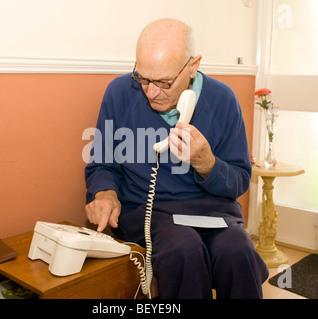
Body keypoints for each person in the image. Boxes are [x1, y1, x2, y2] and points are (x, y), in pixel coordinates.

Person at [84, 18, 268, 299]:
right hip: (147, 212)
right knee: (183, 249)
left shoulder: (224, 100)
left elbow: (239, 181)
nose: (151, 92)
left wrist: (208, 164)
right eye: (142, 78)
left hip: (213, 213)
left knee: (238, 251)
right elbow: (102, 162)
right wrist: (106, 193)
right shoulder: (120, 92)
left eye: (163, 82)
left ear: (192, 66)